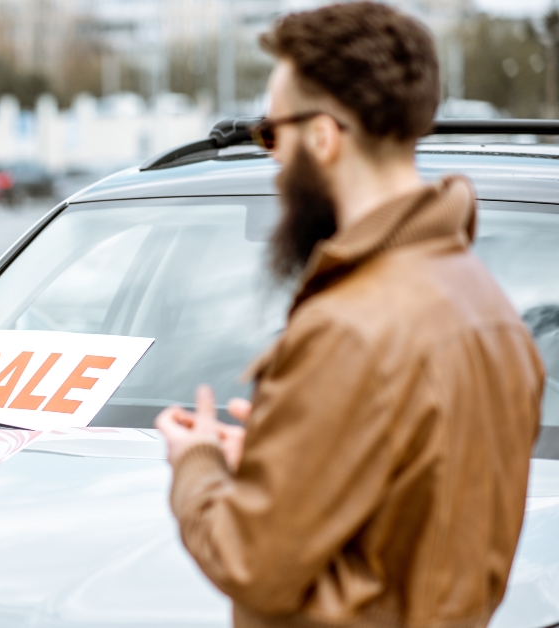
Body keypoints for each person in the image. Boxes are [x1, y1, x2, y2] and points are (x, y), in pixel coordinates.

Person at [155, 3, 544, 627]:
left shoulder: (348, 328)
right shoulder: (488, 307)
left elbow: (251, 561)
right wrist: (281, 445)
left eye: (271, 134)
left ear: (323, 137)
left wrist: (196, 463)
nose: (272, 160)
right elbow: (412, 513)